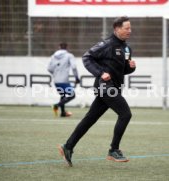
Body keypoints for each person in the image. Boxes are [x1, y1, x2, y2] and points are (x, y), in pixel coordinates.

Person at [57, 16, 136, 167]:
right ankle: (114, 150)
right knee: (125, 114)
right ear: (117, 29)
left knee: (89, 119)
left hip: (113, 88)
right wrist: (100, 73)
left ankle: (68, 147)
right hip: (105, 87)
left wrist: (131, 67)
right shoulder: (106, 44)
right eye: (126, 28)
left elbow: (123, 70)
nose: (129, 31)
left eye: (130, 28)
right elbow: (87, 57)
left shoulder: (126, 48)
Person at [47, 43, 80, 117]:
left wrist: (55, 74)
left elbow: (49, 68)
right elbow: (74, 67)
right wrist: (77, 78)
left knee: (63, 95)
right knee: (72, 95)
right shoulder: (69, 55)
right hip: (64, 80)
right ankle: (56, 105)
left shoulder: (53, 56)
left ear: (59, 47)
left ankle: (62, 113)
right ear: (67, 48)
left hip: (56, 80)